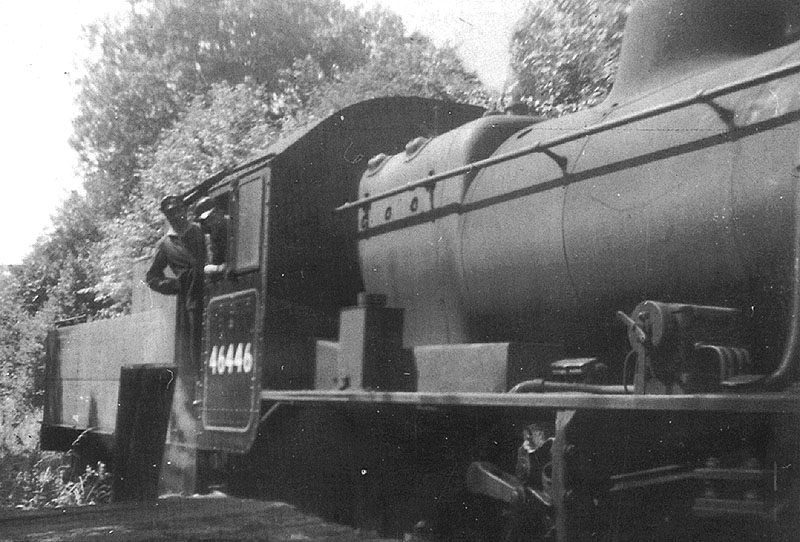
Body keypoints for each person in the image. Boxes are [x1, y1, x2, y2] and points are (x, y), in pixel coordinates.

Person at [146, 195, 206, 372]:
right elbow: (152, 277)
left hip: (214, 290)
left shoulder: (200, 231)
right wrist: (177, 285)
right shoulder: (165, 244)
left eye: (179, 210)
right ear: (167, 216)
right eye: (170, 212)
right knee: (195, 346)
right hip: (191, 300)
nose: (176, 215)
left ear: (185, 210)